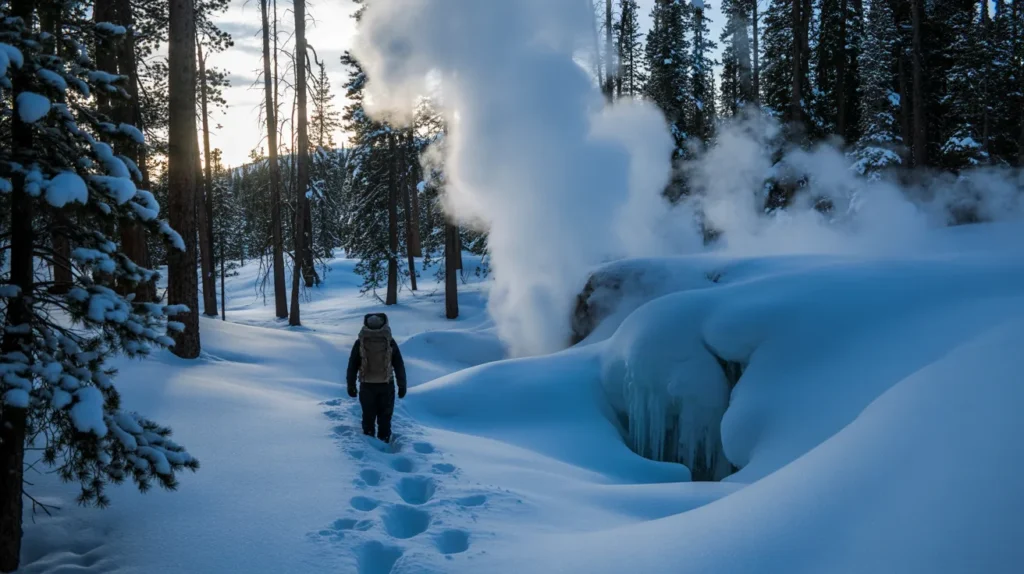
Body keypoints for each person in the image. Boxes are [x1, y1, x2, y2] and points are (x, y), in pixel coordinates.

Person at [347, 313, 407, 443]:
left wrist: (351, 384)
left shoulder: (361, 341)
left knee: (368, 416)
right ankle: (384, 440)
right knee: (385, 417)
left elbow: (353, 364)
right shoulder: (389, 340)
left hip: (366, 384)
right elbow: (398, 364)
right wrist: (402, 385)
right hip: (387, 384)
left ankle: (370, 443)